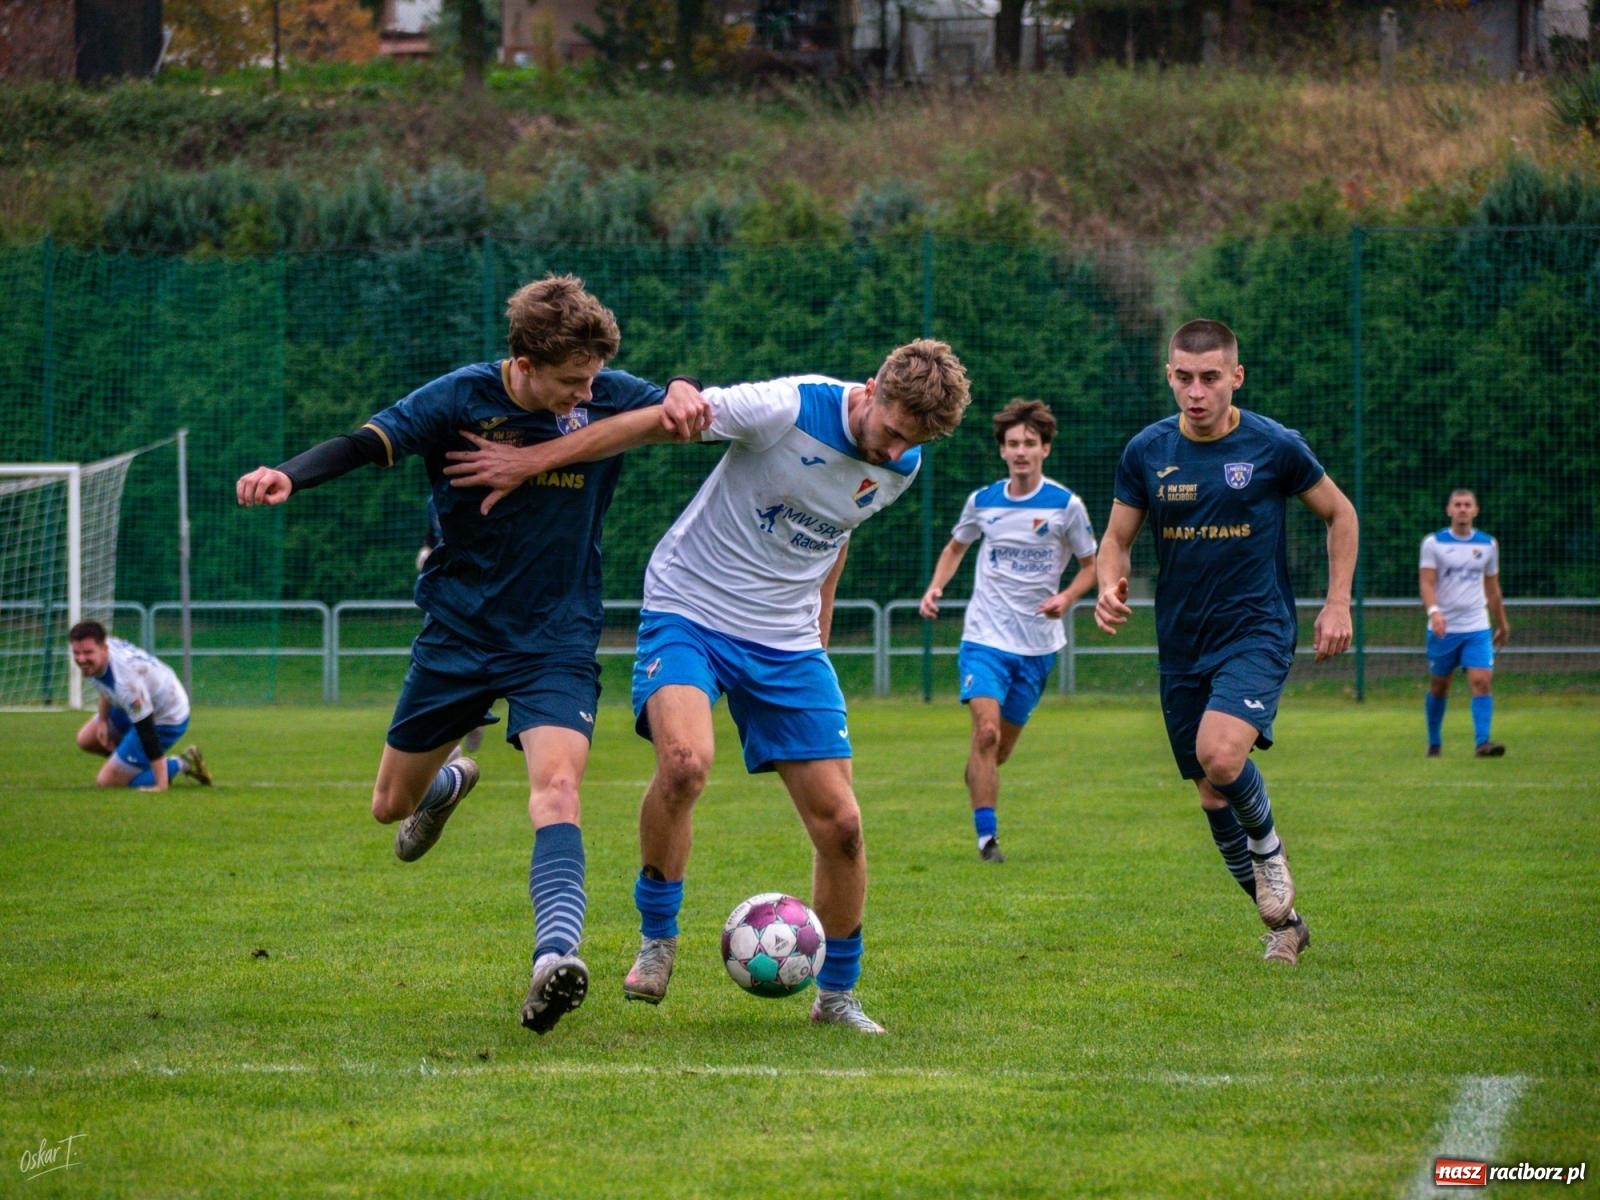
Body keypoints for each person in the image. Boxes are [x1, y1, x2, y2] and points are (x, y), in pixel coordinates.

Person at [446, 339, 973, 1033]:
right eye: (893, 430)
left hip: (784, 641)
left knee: (843, 825)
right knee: (686, 765)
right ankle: (658, 940)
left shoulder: (904, 459)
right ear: (871, 388)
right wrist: (530, 460)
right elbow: (655, 421)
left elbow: (839, 522)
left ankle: (837, 996)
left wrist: (820, 619)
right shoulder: (786, 405)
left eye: (914, 440)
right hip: (689, 608)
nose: (894, 449)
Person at [235, 274, 708, 1035]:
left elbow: (681, 396)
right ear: (522, 361)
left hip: (556, 635)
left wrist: (682, 386)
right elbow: (366, 442)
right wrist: (288, 473)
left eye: (591, 381)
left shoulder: (607, 392)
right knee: (389, 804)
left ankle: (554, 960)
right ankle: (446, 783)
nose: (583, 396)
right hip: (458, 634)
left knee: (558, 789)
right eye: (568, 382)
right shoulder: (458, 397)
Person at [1093, 319, 1358, 967]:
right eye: (1183, 377)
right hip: (1182, 644)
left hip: (1257, 631)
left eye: (1210, 378)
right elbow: (1117, 539)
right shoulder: (1146, 452)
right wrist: (1107, 584)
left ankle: (1270, 853)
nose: (1196, 391)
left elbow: (1340, 513)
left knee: (1221, 754)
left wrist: (1337, 601)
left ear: (1235, 377)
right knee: (1212, 791)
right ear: (1169, 376)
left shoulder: (1274, 446)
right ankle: (1287, 925)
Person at [918, 399, 1098, 864]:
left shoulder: (1065, 506)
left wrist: (1067, 598)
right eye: (1013, 444)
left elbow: (1091, 566)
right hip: (985, 637)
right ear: (1002, 451)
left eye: (1030, 444)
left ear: (1045, 450)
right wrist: (935, 588)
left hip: (1038, 646)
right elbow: (956, 547)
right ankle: (987, 839)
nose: (1021, 452)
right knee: (986, 733)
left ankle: (979, 774)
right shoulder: (982, 502)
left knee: (998, 751)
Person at [69, 620, 211, 791]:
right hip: (136, 704)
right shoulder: (101, 654)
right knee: (86, 739)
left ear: (104, 649)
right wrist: (102, 720)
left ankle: (179, 763)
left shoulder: (127, 682)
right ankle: (131, 764)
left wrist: (161, 785)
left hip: (166, 717)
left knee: (106, 782)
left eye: (87, 653)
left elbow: (147, 730)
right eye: (76, 653)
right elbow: (105, 686)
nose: (81, 658)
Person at [1420, 489, 1509, 758]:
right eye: (1457, 504)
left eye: (1467, 504)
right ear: (1449, 510)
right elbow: (1427, 581)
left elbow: (1492, 590)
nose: (1462, 509)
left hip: (1477, 627)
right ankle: (1434, 742)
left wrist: (1502, 624)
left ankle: (1483, 742)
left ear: (1475, 510)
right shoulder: (1433, 543)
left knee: (1482, 681)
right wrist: (1434, 612)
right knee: (1439, 685)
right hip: (1444, 628)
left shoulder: (1487, 545)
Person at [417, 496, 483, 756]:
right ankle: (448, 739)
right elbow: (432, 536)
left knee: (471, 660)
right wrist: (426, 551)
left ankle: (475, 715)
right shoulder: (434, 500)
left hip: (478, 595)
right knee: (432, 659)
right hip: (443, 595)